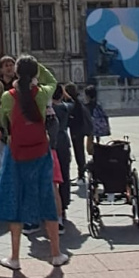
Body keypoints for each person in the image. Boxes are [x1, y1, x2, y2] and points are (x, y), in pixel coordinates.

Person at [0, 57, 67, 271]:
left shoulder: (7, 97)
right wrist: (36, 65)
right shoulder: (42, 94)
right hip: (40, 151)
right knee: (47, 197)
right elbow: (53, 81)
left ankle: (14, 257)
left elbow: (4, 123)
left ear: (16, 72)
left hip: (16, 152)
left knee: (15, 199)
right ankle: (56, 253)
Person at [51, 84, 74, 217]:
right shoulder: (66, 107)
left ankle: (52, 203)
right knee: (65, 174)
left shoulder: (48, 108)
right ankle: (64, 203)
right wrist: (66, 95)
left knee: (51, 176)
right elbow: (73, 103)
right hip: (64, 141)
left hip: (51, 142)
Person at [65, 82, 91, 184]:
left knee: (79, 152)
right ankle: (81, 173)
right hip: (79, 129)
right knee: (79, 152)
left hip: (76, 130)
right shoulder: (77, 100)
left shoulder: (73, 103)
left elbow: (74, 117)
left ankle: (81, 175)